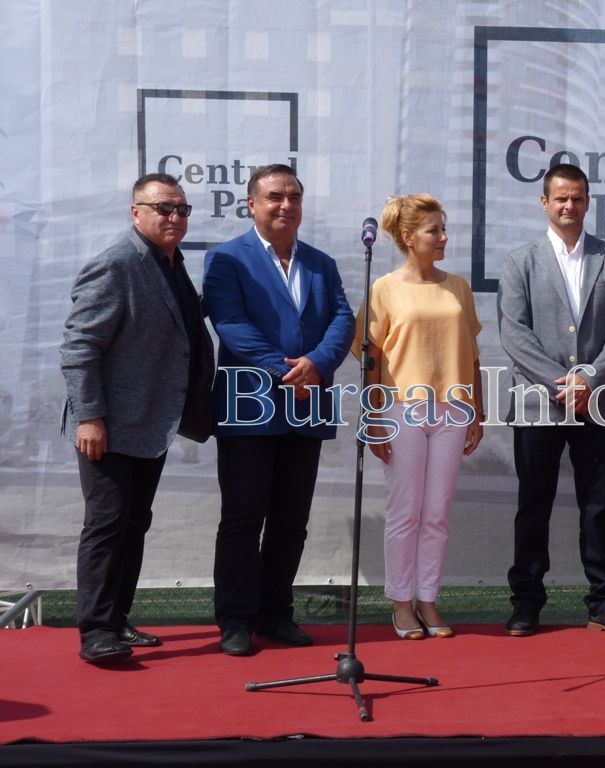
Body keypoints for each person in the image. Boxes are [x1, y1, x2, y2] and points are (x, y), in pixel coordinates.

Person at [60, 173, 214, 663]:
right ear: (136, 212)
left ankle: (117, 620)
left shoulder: (172, 264)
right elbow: (79, 347)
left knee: (133, 523)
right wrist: (89, 417)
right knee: (106, 524)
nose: (175, 217)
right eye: (164, 208)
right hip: (107, 426)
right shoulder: (116, 264)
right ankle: (96, 633)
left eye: (182, 209)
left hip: (150, 422)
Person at [203, 164, 355, 656]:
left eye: (293, 196)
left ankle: (275, 614)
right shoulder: (227, 259)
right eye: (274, 196)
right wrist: (288, 371)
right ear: (251, 204)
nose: (285, 205)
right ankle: (236, 620)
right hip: (249, 407)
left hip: (308, 407)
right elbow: (231, 324)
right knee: (243, 517)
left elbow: (342, 319)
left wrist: (319, 364)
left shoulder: (321, 263)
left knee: (291, 520)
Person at [497, 163, 605, 638]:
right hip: (538, 403)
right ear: (544, 202)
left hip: (599, 401)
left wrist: (590, 379)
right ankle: (526, 602)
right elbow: (513, 333)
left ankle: (604, 602)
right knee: (533, 505)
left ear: (587, 202)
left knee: (598, 505)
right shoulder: (520, 261)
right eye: (560, 198)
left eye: (577, 198)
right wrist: (561, 382)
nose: (569, 205)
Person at [357, 194, 484, 640]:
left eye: (444, 229)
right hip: (401, 408)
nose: (443, 237)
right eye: (435, 230)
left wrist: (477, 410)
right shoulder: (384, 288)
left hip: (453, 409)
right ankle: (401, 603)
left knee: (437, 513)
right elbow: (370, 358)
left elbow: (472, 353)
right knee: (405, 511)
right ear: (409, 237)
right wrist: (372, 417)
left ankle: (428, 598)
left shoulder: (458, 287)